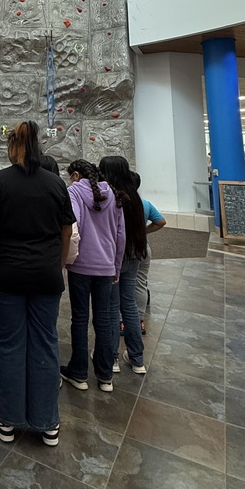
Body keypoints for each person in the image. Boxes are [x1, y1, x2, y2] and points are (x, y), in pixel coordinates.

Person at [0, 120, 75, 447]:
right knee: (45, 344)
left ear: (13, 148)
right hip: (47, 277)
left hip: (7, 277)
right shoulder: (56, 183)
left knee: (9, 345)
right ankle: (47, 422)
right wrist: (58, 263)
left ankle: (8, 419)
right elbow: (66, 231)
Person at [60, 160, 124, 392]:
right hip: (106, 266)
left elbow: (72, 225)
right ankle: (105, 375)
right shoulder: (114, 195)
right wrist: (116, 266)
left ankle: (79, 373)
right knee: (104, 319)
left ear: (76, 175)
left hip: (80, 266)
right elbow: (120, 234)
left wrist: (65, 259)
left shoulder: (74, 191)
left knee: (79, 318)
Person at [99, 156, 148, 375]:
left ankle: (112, 359)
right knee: (129, 306)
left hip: (113, 259)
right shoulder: (135, 198)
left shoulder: (111, 196)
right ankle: (137, 358)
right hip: (134, 256)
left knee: (111, 308)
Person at [131, 171, 166, 333]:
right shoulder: (145, 204)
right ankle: (139, 321)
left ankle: (124, 320)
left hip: (127, 250)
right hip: (143, 247)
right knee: (140, 283)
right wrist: (144, 231)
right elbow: (161, 221)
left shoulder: (123, 203)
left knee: (124, 284)